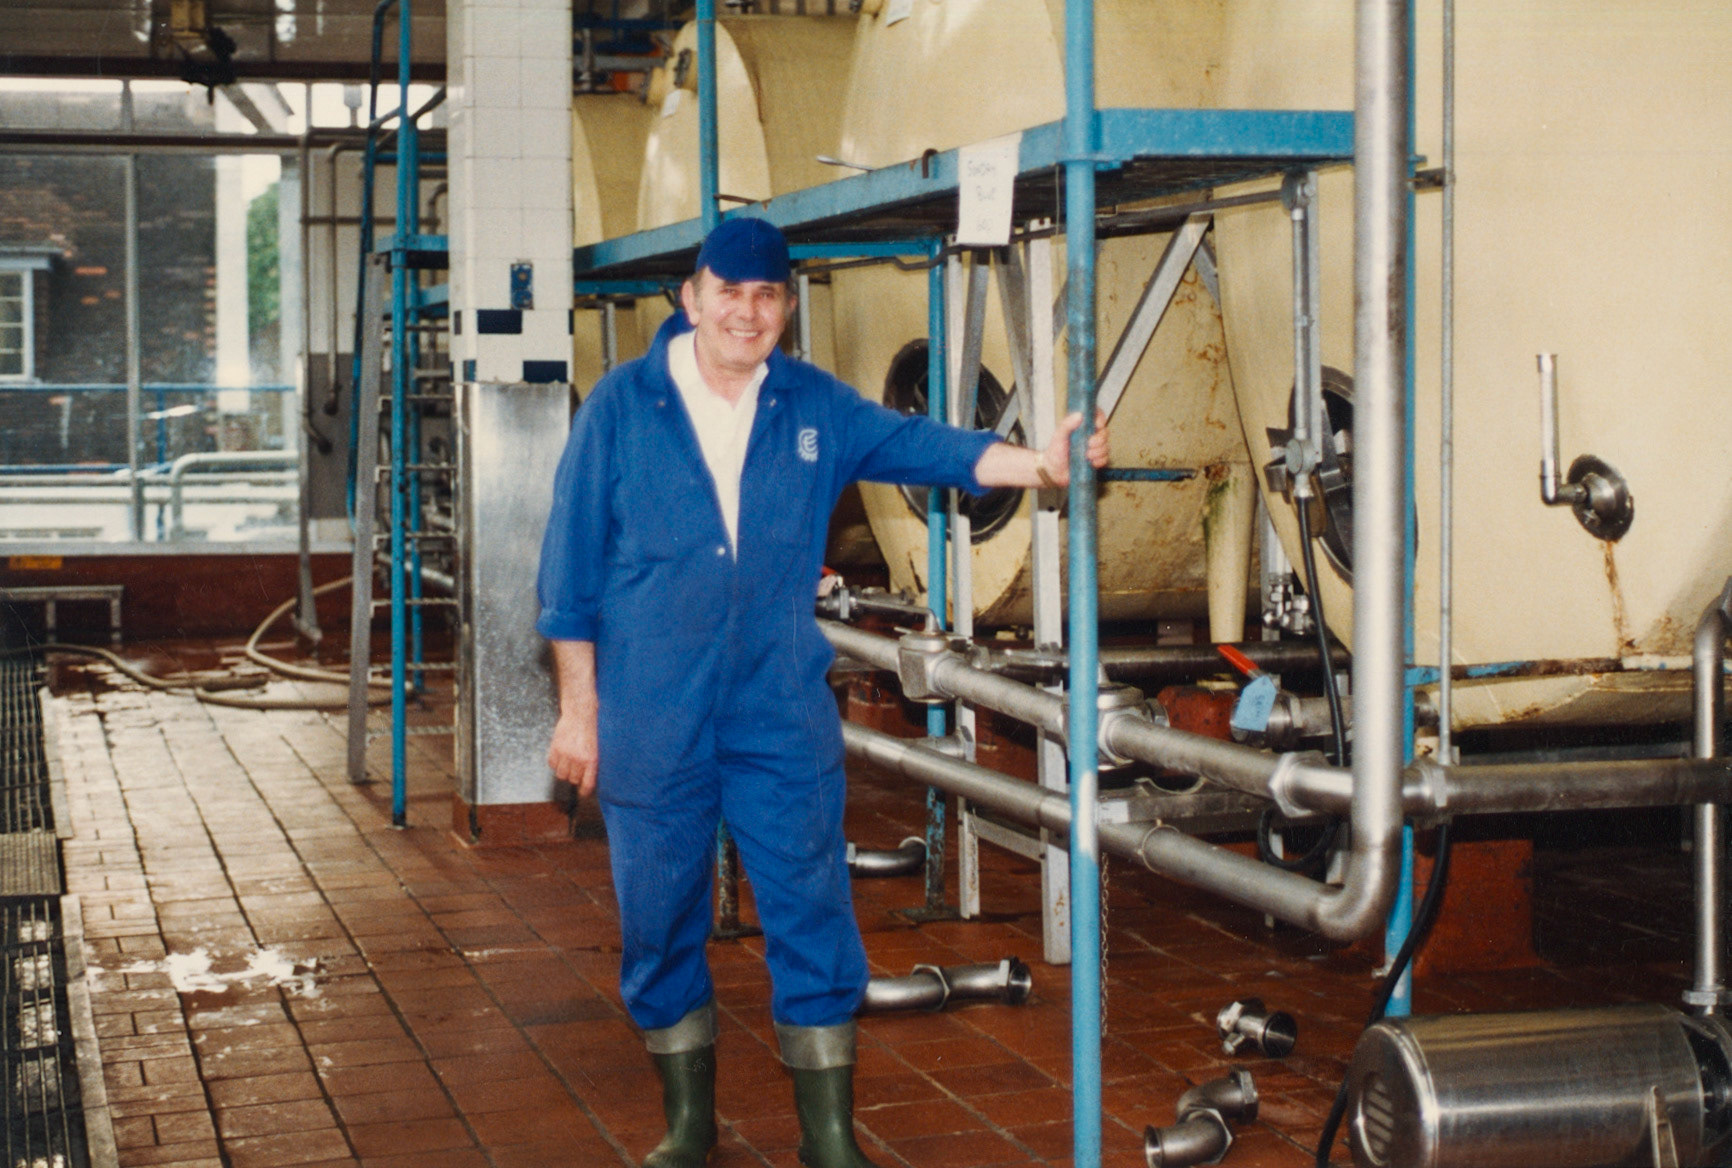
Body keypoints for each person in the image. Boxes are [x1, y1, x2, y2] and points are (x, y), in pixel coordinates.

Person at [537, 216, 1108, 1168]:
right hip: (650, 714)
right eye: (730, 292)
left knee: (809, 908)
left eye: (767, 297)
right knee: (659, 913)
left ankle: (829, 1138)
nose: (747, 313)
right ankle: (688, 1122)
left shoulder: (809, 405)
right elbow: (568, 578)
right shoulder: (623, 409)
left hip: (778, 712)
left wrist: (1041, 467)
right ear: (693, 297)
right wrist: (578, 710)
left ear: (785, 308)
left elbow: (923, 445)